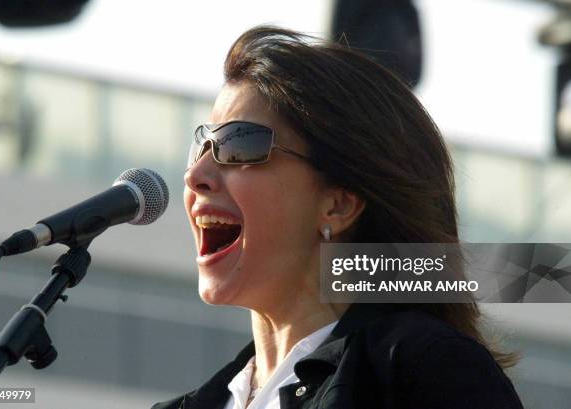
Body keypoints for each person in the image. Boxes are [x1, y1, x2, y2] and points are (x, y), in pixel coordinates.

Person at [152, 26, 524, 409]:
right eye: (202, 146)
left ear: (339, 204)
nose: (195, 176)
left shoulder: (424, 371)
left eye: (239, 145)